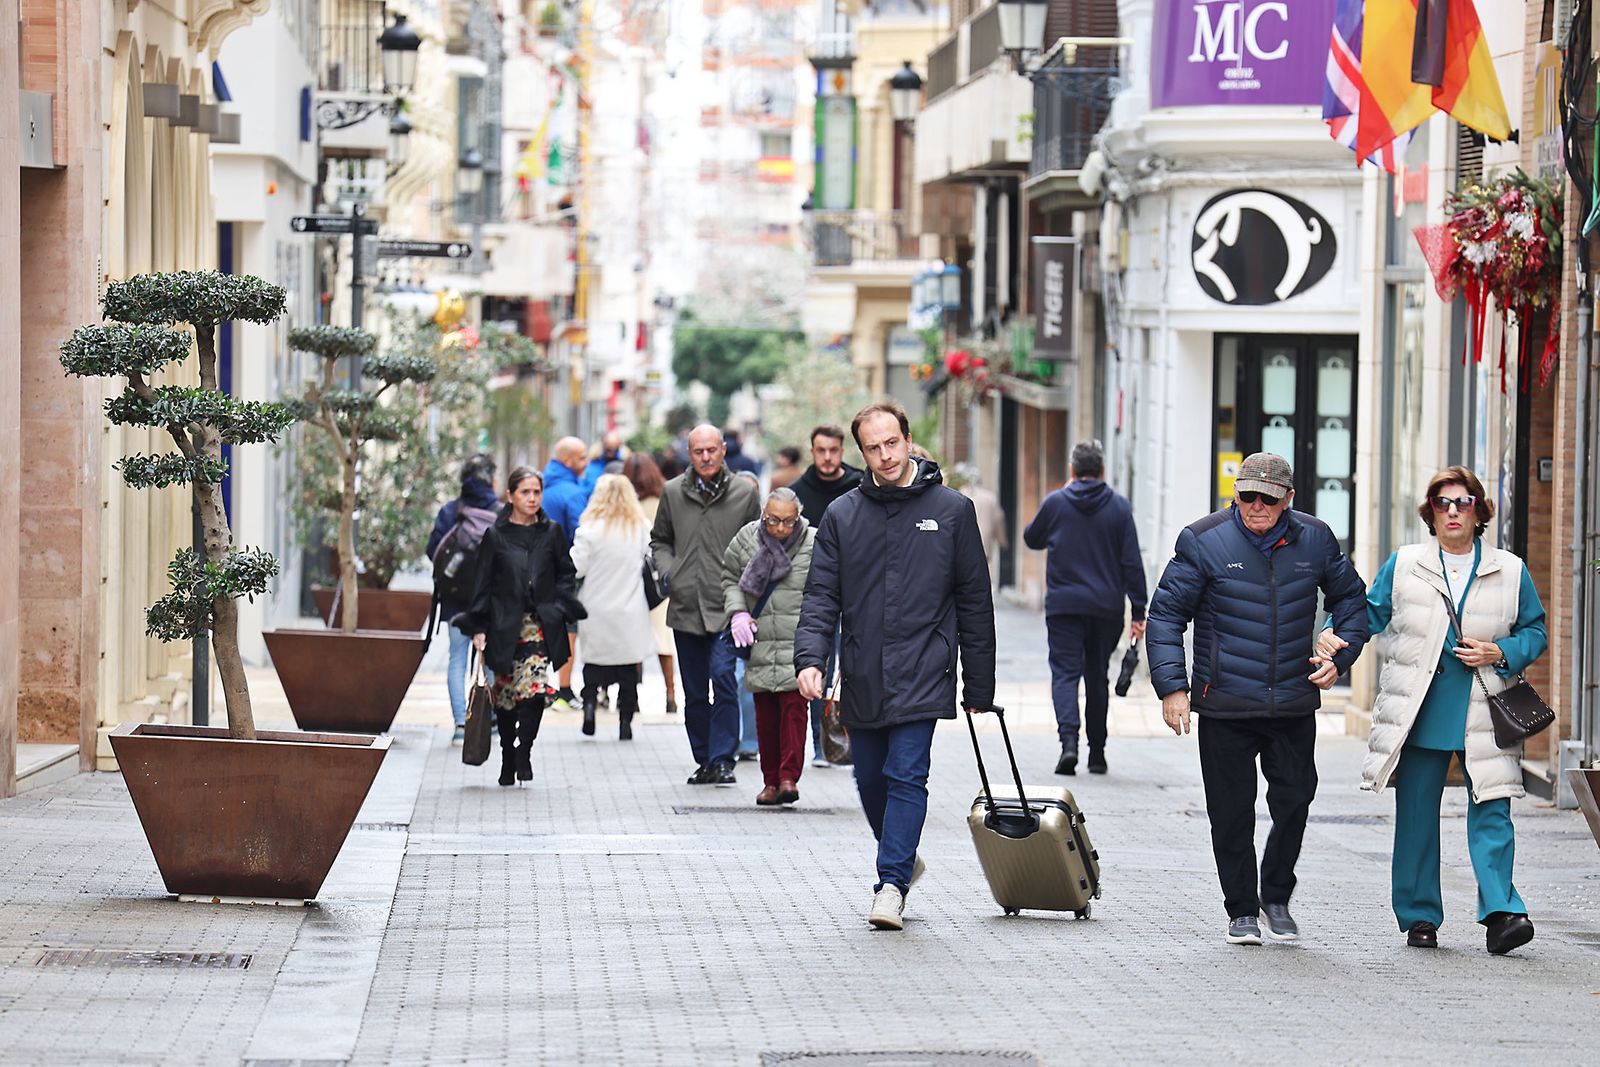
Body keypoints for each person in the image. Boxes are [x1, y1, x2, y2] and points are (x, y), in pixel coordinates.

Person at [1315, 467, 1545, 955]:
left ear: (1480, 510)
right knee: (1417, 816)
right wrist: (1335, 637)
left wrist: (1499, 652)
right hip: (1420, 710)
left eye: (1463, 502)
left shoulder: (1510, 569)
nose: (1453, 511)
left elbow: (1536, 632)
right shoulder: (1405, 565)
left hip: (1485, 707)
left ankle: (1502, 913)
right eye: (1443, 503)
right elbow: (1368, 613)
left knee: (1494, 812)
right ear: (1431, 512)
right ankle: (1420, 917)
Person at [1146, 451, 1368, 946]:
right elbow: (1165, 617)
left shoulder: (1315, 539)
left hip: (1292, 700)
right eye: (1247, 496)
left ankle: (1276, 894)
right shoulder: (1203, 540)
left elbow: (1352, 600)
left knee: (1295, 799)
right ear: (1235, 494)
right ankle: (1242, 909)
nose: (1256, 506)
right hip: (1224, 702)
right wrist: (1173, 688)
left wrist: (1340, 650)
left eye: (1268, 497)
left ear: (1288, 499)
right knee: (1231, 812)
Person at [796, 401, 996, 931]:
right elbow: (820, 596)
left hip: (926, 665)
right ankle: (901, 853)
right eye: (873, 448)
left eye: (892, 443)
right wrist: (811, 658)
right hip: (862, 668)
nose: (884, 455)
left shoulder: (952, 510)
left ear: (908, 440)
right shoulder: (842, 514)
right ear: (861, 453)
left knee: (907, 774)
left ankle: (890, 885)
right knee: (868, 779)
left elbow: (975, 599)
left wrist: (980, 683)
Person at [1022, 440, 1147, 776]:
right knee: (1096, 677)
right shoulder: (1119, 508)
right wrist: (1138, 611)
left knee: (1064, 674)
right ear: (1102, 471)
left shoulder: (1056, 503)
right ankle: (1097, 753)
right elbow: (1132, 563)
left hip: (1063, 606)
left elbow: (1032, 538)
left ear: (1072, 471)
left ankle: (1068, 745)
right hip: (1105, 608)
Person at [453, 467, 585, 786]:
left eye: (536, 492)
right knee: (507, 697)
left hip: (538, 625)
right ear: (510, 496)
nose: (532, 498)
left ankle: (524, 748)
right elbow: (482, 583)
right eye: (525, 492)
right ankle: (507, 754)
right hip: (503, 626)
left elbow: (566, 572)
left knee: (535, 693)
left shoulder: (551, 532)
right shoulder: (496, 535)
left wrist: (559, 603)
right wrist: (479, 627)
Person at [651, 424, 761, 786]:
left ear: (724, 449)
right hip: (685, 606)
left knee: (724, 679)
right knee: (695, 691)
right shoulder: (672, 492)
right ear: (689, 453)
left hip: (728, 606)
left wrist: (748, 593)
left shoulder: (744, 494)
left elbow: (757, 546)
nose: (706, 457)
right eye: (698, 451)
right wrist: (670, 573)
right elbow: (660, 541)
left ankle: (723, 759)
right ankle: (704, 758)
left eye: (711, 450)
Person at [721, 487, 816, 806]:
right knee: (765, 714)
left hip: (798, 640)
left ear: (798, 517)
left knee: (794, 709)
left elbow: (828, 587)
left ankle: (788, 777)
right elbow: (729, 578)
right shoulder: (747, 538)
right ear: (763, 515)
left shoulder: (814, 542)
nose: (779, 528)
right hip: (759, 637)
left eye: (788, 521)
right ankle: (770, 781)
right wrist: (738, 612)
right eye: (772, 520)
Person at [791, 424, 863, 767]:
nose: (828, 457)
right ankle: (822, 746)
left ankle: (849, 740)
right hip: (817, 594)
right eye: (821, 450)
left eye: (833, 450)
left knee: (853, 668)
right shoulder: (797, 494)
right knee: (817, 669)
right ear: (812, 450)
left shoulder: (861, 486)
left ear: (842, 450)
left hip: (859, 595)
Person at [570, 475, 657, 741]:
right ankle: (625, 722)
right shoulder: (641, 528)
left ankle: (588, 707)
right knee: (629, 668)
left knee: (593, 663)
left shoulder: (589, 529)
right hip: (630, 608)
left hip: (595, 607)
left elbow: (577, 567)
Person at [425, 453, 499, 742]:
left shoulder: (451, 510)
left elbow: (434, 550)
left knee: (456, 657)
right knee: (490, 659)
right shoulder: (500, 511)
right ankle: (490, 720)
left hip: (455, 599)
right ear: (492, 479)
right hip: (490, 600)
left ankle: (460, 724)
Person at [541, 436, 596, 709]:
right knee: (569, 629)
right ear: (567, 460)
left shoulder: (541, 486)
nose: (587, 462)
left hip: (538, 570)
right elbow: (581, 533)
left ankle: (540, 684)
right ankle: (564, 688)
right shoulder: (573, 494)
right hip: (565, 572)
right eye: (582, 457)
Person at [624, 452, 678, 715]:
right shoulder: (663, 499)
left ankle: (631, 696)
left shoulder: (627, 505)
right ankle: (671, 694)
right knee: (663, 639)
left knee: (634, 637)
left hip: (632, 577)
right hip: (658, 579)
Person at [951, 464, 1007, 578]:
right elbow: (998, 519)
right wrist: (1002, 541)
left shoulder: (959, 495)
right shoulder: (990, 498)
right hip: (984, 541)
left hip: (962, 541)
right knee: (981, 574)